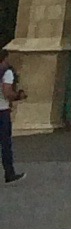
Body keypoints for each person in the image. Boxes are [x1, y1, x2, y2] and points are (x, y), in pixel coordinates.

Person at [0, 47, 21, 184]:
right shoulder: (6, 72)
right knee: (5, 144)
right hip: (2, 111)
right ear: (5, 58)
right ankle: (9, 173)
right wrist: (18, 96)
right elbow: (7, 92)